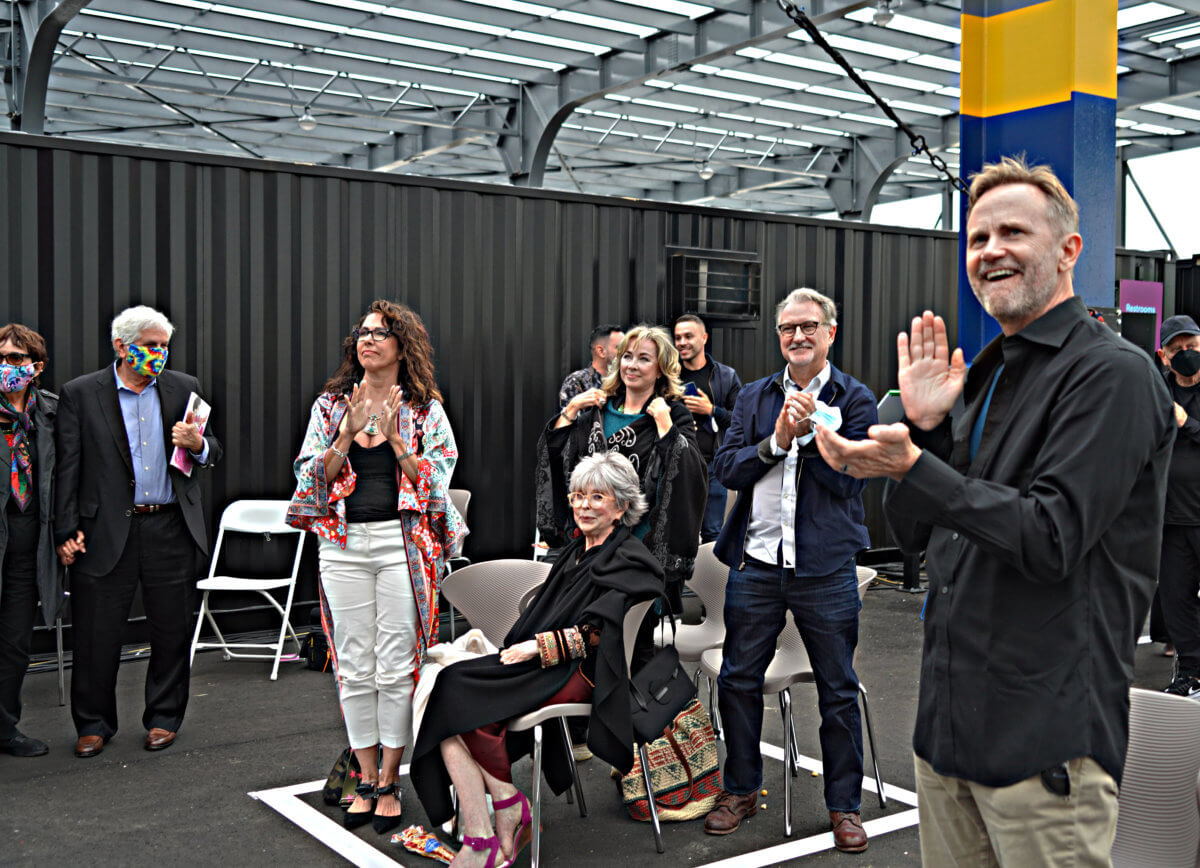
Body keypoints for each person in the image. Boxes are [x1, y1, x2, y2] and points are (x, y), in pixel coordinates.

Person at [815, 156, 1173, 866]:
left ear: (1069, 250)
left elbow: (1050, 537)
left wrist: (919, 465)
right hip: (947, 740)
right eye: (977, 239)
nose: (990, 251)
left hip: (1046, 750)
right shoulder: (982, 375)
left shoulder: (1112, 375)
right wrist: (927, 432)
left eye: (1013, 232)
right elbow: (918, 540)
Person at [411, 452, 663, 868]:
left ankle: (494, 825)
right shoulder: (575, 551)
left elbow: (603, 634)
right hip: (544, 664)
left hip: (581, 672)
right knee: (446, 692)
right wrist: (528, 646)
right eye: (578, 496)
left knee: (454, 693)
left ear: (620, 506)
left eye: (596, 497)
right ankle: (485, 826)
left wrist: (539, 647)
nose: (583, 505)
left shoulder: (630, 558)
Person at [704, 288, 877, 851]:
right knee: (738, 680)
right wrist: (776, 443)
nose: (797, 337)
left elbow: (852, 481)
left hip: (825, 571)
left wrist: (814, 439)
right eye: (787, 329)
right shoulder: (755, 397)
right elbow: (729, 469)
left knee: (837, 690)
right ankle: (741, 788)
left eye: (808, 327)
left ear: (830, 332)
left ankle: (844, 806)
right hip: (756, 564)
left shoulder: (855, 400)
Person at [287, 300, 464, 834]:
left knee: (395, 663)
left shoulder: (425, 408)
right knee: (353, 663)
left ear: (401, 345)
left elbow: (437, 483)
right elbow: (308, 478)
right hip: (342, 546)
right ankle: (365, 777)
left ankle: (390, 778)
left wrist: (392, 439)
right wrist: (346, 434)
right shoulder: (330, 406)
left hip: (399, 545)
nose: (367, 340)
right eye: (362, 333)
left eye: (380, 334)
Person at [55, 305, 223, 759]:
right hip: (104, 530)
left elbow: (212, 450)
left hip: (169, 525)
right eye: (150, 346)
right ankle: (93, 724)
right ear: (120, 346)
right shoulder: (82, 393)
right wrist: (65, 530)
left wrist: (199, 444)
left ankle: (164, 718)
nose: (159, 354)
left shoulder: (183, 388)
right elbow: (67, 466)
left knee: (171, 629)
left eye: (164, 346)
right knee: (95, 633)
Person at [537, 324, 706, 618]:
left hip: (641, 549)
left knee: (628, 637)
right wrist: (571, 410)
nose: (632, 365)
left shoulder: (673, 413)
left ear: (660, 368)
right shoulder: (597, 413)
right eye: (627, 356)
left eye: (644, 359)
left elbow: (691, 475)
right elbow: (556, 460)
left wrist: (665, 426)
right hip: (591, 544)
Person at [0, 324, 62, 758]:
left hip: (29, 546)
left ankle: (4, 728)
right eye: (1, 357)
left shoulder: (55, 413)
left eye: (17, 358)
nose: (7, 365)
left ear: (36, 366)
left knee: (14, 642)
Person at [1156, 314, 1200, 697]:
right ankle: (1190, 671)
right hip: (1169, 520)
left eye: (1193, 348)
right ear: (1164, 355)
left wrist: (1187, 423)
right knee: (1176, 600)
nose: (1186, 354)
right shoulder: (1155, 391)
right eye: (1178, 350)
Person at [673, 314, 742, 542]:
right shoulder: (668, 376)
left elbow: (741, 422)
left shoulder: (726, 376)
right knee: (679, 532)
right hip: (677, 463)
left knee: (713, 533)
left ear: (704, 338)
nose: (682, 342)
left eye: (688, 336)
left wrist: (711, 409)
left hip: (713, 465)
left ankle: (711, 579)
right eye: (678, 337)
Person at [557, 324, 624, 411]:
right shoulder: (577, 381)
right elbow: (568, 420)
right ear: (601, 351)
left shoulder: (626, 380)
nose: (625, 352)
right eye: (620, 347)